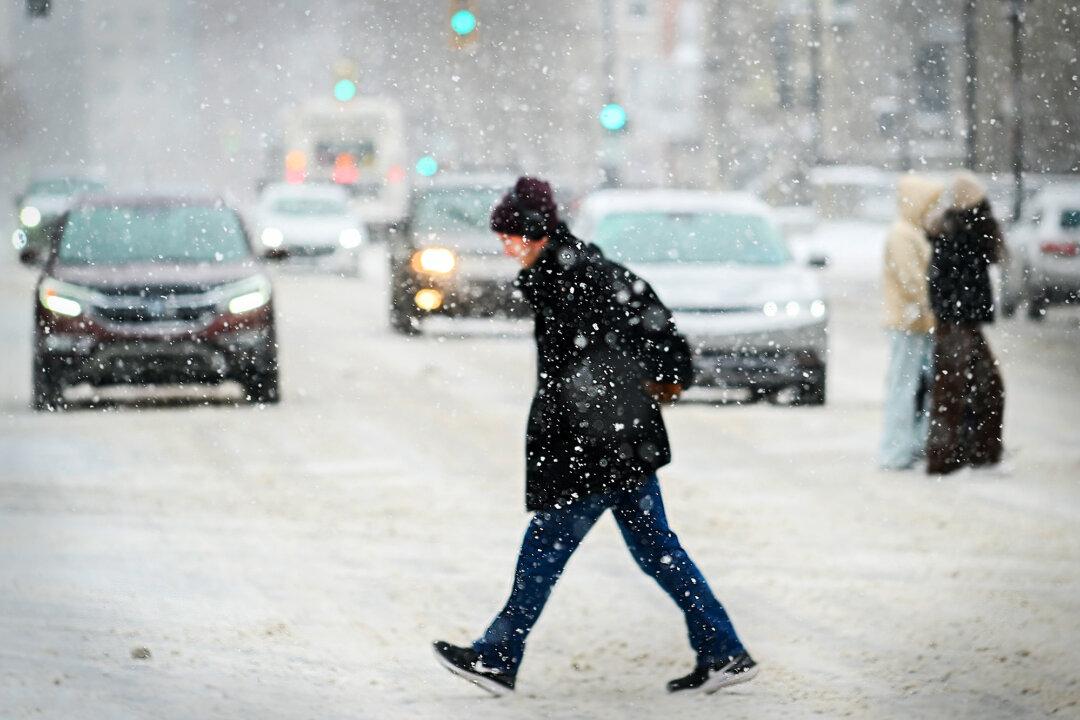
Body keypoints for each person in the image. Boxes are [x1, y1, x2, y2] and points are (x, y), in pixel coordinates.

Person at [433, 177, 756, 696]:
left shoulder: (574, 279)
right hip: (618, 441)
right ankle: (724, 651)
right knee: (658, 553)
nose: (503, 246)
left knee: (545, 550)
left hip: (598, 446)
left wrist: (600, 420)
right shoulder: (572, 272)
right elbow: (643, 327)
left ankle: (497, 656)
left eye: (509, 236)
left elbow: (613, 355)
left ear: (535, 234)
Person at [925, 172, 1006, 475]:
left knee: (976, 389)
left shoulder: (965, 233)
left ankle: (970, 454)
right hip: (957, 324)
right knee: (955, 391)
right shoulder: (959, 235)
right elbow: (942, 284)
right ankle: (948, 458)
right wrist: (954, 313)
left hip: (962, 322)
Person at [879, 174, 944, 470]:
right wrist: (932, 305)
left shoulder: (912, 232)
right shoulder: (902, 234)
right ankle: (896, 452)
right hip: (908, 324)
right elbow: (913, 281)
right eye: (929, 204)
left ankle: (914, 445)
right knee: (904, 389)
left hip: (919, 323)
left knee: (919, 388)